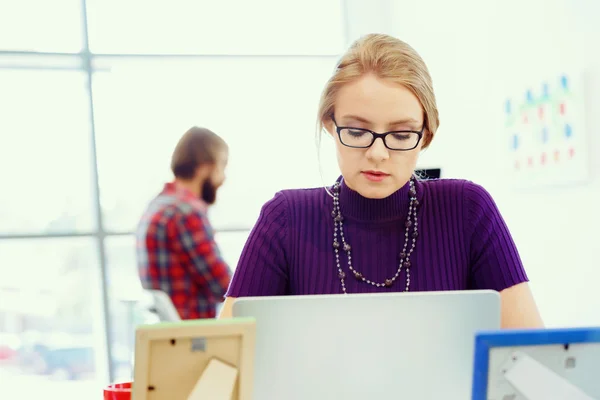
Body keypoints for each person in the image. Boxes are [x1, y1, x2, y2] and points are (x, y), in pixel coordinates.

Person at [220, 34, 543, 329]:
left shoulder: (468, 210)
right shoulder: (285, 219)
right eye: (357, 132)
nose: (377, 153)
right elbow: (223, 369)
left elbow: (530, 359)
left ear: (425, 135)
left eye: (401, 135)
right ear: (330, 125)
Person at [137, 126, 231, 319]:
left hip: (170, 335)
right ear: (205, 166)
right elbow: (226, 287)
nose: (223, 178)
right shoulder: (186, 214)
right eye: (222, 166)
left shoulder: (157, 205)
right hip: (194, 339)